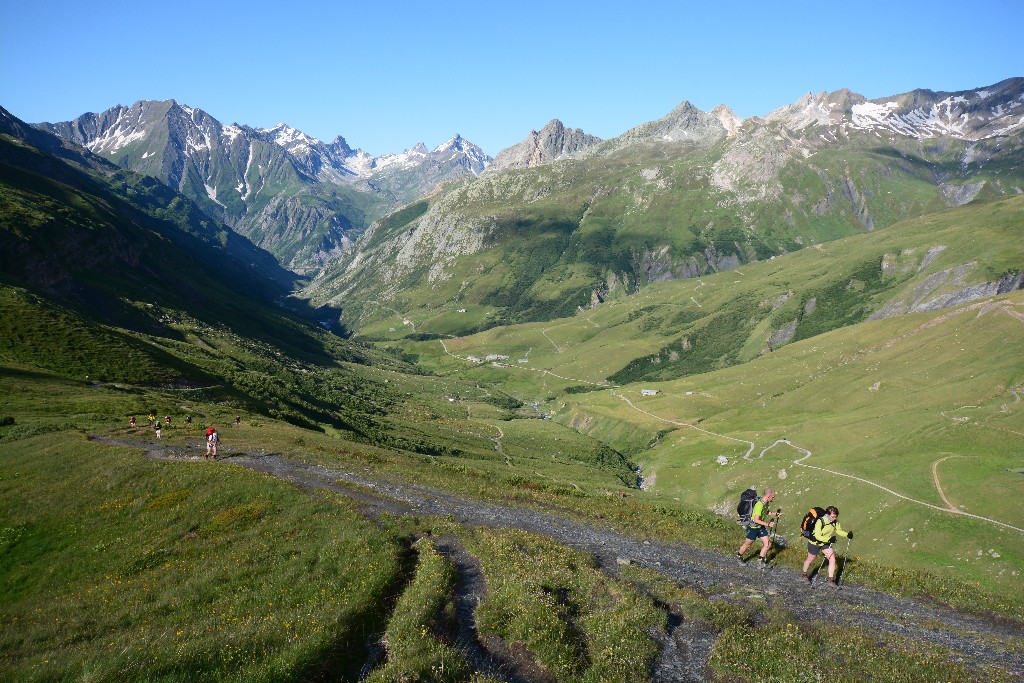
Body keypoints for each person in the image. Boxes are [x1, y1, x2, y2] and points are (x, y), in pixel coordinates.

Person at [802, 505, 853, 588]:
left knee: (832, 559)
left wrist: (847, 535)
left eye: (836, 516)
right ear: (828, 515)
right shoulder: (820, 521)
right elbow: (817, 536)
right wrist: (829, 539)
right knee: (810, 559)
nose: (834, 518)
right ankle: (804, 575)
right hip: (815, 543)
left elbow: (839, 531)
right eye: (833, 517)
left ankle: (831, 581)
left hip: (825, 543)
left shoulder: (835, 521)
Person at [737, 488, 779, 566]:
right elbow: (756, 520)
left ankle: (760, 562)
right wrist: (768, 524)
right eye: (773, 497)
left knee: (768, 544)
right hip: (753, 528)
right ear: (769, 496)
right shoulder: (759, 505)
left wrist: (774, 514)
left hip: (760, 527)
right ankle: (739, 556)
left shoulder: (765, 503)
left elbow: (765, 512)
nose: (773, 498)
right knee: (747, 544)